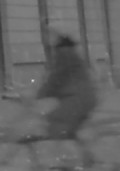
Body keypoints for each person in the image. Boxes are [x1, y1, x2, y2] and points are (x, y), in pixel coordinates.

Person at [35, 32, 98, 170]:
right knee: (69, 130)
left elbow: (55, 79)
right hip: (84, 98)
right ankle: (86, 158)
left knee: (54, 123)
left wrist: (39, 94)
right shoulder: (72, 56)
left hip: (77, 99)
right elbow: (59, 80)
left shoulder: (65, 57)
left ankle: (67, 163)